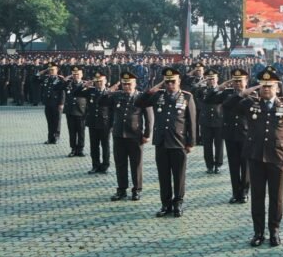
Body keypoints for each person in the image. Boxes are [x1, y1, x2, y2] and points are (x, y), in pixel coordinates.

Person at [235, 70, 283, 247]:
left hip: (277, 157)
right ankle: (258, 232)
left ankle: (275, 231)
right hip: (255, 156)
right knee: (257, 196)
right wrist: (247, 91)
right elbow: (229, 105)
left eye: (270, 86)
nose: (266, 89)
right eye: (263, 86)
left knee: (276, 198)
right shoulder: (251, 103)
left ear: (277, 88)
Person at [136, 68, 196, 217]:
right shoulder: (158, 96)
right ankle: (165, 204)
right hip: (161, 142)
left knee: (179, 175)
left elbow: (192, 122)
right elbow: (139, 103)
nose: (170, 85)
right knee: (163, 175)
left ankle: (178, 204)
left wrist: (191, 142)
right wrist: (153, 88)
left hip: (179, 142)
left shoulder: (187, 97)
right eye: (167, 81)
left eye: (172, 81)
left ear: (179, 81)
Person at [102, 72, 153, 201]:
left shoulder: (141, 97)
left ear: (135, 84)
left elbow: (149, 118)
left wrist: (147, 134)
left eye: (129, 84)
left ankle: (136, 189)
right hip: (119, 135)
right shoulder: (117, 96)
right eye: (124, 84)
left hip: (135, 136)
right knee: (120, 164)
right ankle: (121, 189)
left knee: (136, 164)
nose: (126, 86)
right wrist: (109, 90)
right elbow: (101, 102)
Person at [208, 68, 251, 204]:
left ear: (246, 81)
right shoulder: (226, 93)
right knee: (233, 165)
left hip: (246, 134)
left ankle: (244, 192)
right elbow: (208, 99)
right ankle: (235, 192)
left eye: (240, 81)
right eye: (235, 81)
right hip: (230, 133)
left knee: (245, 165)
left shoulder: (252, 94)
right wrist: (219, 88)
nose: (237, 84)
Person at [76, 71, 112, 174]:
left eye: (100, 81)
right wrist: (84, 85)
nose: (98, 83)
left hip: (105, 123)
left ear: (105, 81)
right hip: (93, 122)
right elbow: (76, 93)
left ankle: (105, 165)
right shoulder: (90, 91)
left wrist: (112, 124)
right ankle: (95, 165)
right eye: (96, 82)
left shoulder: (110, 93)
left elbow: (112, 110)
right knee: (94, 145)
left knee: (105, 145)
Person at [196, 69, 225, 173]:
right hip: (205, 121)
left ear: (217, 79)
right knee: (207, 145)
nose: (211, 80)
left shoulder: (222, 90)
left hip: (218, 120)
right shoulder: (202, 90)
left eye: (213, 78)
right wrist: (199, 83)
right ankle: (209, 165)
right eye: (209, 78)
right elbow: (193, 93)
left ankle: (218, 164)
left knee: (219, 144)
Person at [35, 62, 64, 145]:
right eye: (49, 69)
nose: (51, 71)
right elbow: (34, 79)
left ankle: (56, 137)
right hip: (48, 103)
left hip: (56, 103)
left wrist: (61, 103)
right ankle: (50, 138)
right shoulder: (46, 78)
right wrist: (43, 71)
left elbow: (62, 92)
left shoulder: (60, 79)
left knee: (57, 121)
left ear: (57, 70)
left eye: (52, 69)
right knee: (50, 121)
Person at [62, 66, 87, 157]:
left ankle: (80, 149)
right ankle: (73, 148)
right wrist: (64, 80)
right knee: (72, 131)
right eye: (74, 74)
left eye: (78, 74)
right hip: (70, 110)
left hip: (81, 110)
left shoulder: (85, 84)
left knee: (81, 131)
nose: (76, 76)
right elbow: (56, 88)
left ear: (81, 75)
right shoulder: (68, 83)